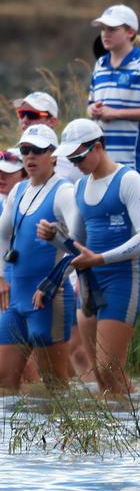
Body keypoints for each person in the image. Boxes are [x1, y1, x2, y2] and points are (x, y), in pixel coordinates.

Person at [40, 119, 140, 395]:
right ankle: (110, 435)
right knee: (99, 379)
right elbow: (77, 244)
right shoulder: (79, 187)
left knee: (109, 369)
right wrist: (55, 236)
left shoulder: (129, 180)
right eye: (70, 158)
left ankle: (137, 431)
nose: (75, 163)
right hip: (90, 285)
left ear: (98, 147)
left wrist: (101, 258)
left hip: (122, 281)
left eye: (78, 156)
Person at [0, 125, 78, 389]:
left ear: (53, 155)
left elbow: (81, 243)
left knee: (56, 386)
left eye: (37, 150)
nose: (30, 156)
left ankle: (64, 432)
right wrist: (1, 276)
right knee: (4, 384)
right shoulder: (18, 191)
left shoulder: (64, 192)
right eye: (25, 150)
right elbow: (2, 235)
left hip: (48, 298)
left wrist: (53, 282)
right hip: (15, 298)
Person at [88, 4, 140, 168]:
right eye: (103, 29)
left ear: (130, 32)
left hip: (133, 161)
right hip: (102, 162)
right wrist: (93, 110)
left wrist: (116, 113)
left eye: (112, 29)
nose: (105, 34)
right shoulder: (100, 64)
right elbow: (89, 105)